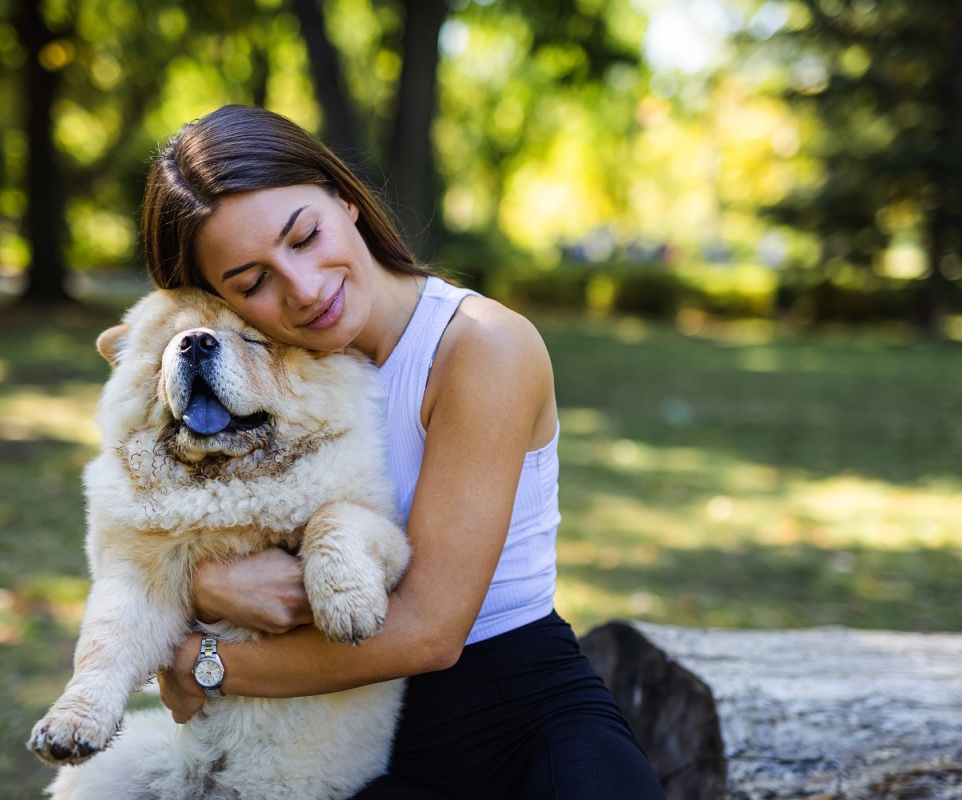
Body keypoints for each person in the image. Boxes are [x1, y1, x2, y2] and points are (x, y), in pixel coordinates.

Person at [142, 104, 665, 800]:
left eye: (305, 236)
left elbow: (429, 632)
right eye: (252, 282)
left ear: (346, 199)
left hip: (516, 719)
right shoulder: (238, 392)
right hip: (326, 740)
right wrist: (197, 586)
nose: (303, 288)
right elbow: (165, 542)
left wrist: (201, 664)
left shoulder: (480, 345)